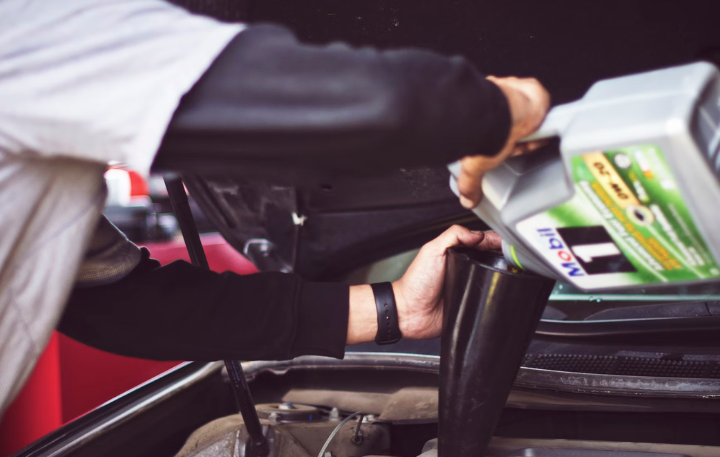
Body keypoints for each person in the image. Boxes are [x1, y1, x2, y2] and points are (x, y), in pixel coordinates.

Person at [0, 0, 549, 417]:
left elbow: (120, 306)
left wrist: (395, 308)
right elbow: (354, 101)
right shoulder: (26, 28)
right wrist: (502, 108)